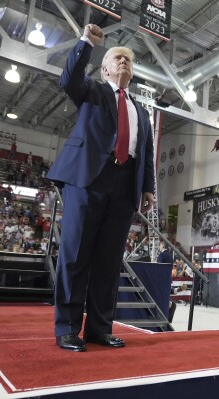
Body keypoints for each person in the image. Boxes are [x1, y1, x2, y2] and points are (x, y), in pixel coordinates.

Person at [47, 24, 156, 352]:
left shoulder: (142, 112)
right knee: (76, 256)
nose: (123, 61)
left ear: (132, 72)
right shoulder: (92, 91)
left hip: (124, 188)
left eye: (128, 59)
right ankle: (67, 328)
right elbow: (68, 80)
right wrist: (86, 44)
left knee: (109, 262)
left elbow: (145, 153)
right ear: (105, 68)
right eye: (117, 57)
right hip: (87, 180)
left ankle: (99, 328)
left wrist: (148, 189)